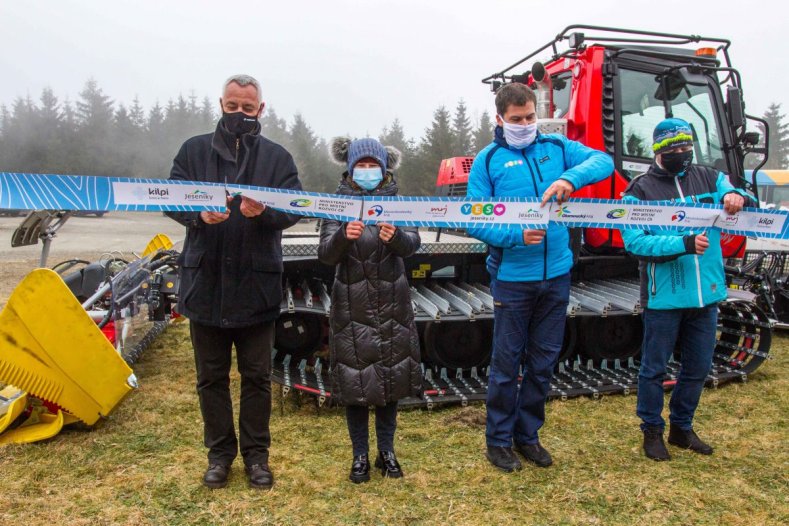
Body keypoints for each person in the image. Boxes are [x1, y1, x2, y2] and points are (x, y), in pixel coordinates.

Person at [466, 82, 614, 473]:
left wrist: (570, 180)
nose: (526, 124)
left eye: (530, 117)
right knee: (506, 363)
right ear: (500, 119)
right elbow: (472, 218)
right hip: (513, 279)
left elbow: (603, 162)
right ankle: (498, 441)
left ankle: (527, 435)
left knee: (544, 362)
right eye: (517, 120)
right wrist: (515, 236)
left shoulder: (557, 148)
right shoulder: (488, 160)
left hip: (558, 275)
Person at [165, 74, 302, 489]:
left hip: (256, 287)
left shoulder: (277, 158)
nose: (239, 113)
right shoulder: (193, 151)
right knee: (211, 379)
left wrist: (267, 213)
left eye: (247, 107)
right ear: (221, 105)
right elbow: (171, 197)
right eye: (232, 106)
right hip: (204, 284)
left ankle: (257, 458)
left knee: (258, 378)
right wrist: (198, 216)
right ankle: (219, 456)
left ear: (261, 109)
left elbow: (294, 209)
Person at [621, 118, 749, 461]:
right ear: (659, 150)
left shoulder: (709, 176)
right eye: (674, 148)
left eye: (687, 147)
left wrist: (737, 195)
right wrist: (683, 243)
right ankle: (651, 431)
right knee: (654, 368)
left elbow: (742, 197)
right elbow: (634, 243)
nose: (682, 153)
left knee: (697, 367)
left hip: (706, 295)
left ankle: (682, 427)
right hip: (664, 297)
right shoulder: (639, 190)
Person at [318, 137, 422, 483]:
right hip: (352, 306)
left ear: (384, 168)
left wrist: (396, 238)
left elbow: (412, 246)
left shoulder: (398, 203)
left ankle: (386, 452)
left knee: (390, 383)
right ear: (350, 169)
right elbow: (325, 255)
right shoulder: (336, 204)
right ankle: (359, 455)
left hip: (393, 303)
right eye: (360, 165)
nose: (366, 171)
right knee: (356, 384)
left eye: (372, 165)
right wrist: (343, 237)